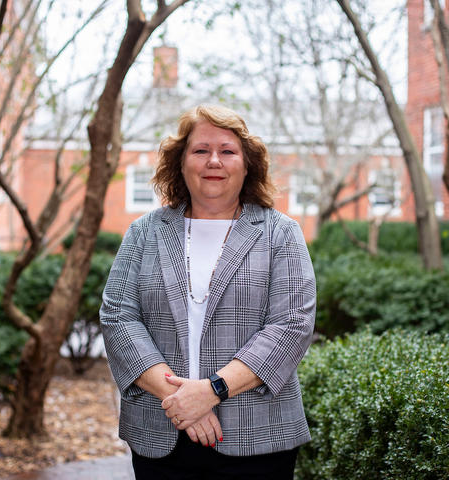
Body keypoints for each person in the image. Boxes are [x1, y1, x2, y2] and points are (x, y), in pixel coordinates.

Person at [100, 104, 316, 480]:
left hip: (258, 436)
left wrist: (211, 391)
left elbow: (292, 324)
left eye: (228, 151)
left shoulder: (280, 232)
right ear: (180, 163)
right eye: (201, 150)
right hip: (160, 431)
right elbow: (118, 316)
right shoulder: (144, 232)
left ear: (247, 164)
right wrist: (181, 400)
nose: (213, 160)